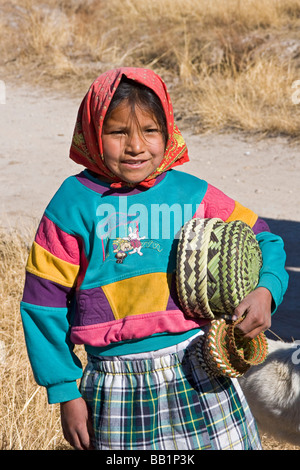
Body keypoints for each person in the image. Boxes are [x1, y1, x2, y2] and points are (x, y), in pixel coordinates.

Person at [20, 67, 289, 451]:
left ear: (168, 132)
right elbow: (41, 304)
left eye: (150, 130)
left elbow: (264, 236)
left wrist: (267, 289)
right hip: (115, 387)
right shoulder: (73, 203)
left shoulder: (192, 194)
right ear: (94, 132)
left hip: (200, 371)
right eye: (117, 132)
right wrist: (64, 390)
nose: (135, 146)